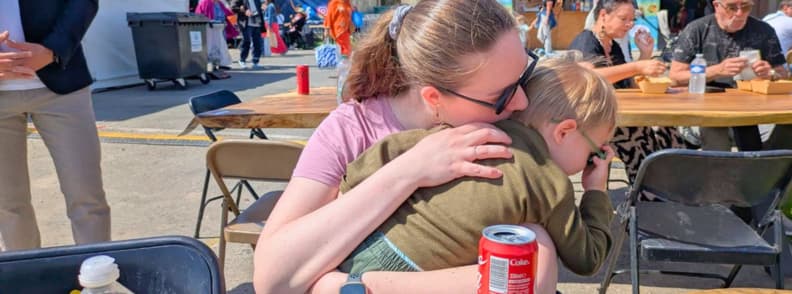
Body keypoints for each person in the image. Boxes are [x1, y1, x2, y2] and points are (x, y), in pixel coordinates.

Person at [253, 1, 559, 293]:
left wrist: (350, 286)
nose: (523, 102)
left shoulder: (512, 122)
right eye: (500, 96)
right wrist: (411, 170)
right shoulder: (351, 130)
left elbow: (532, 272)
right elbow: (272, 278)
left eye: (524, 77)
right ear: (433, 98)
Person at [337, 59, 617, 278]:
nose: (594, 159)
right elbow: (587, 258)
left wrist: (351, 195)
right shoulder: (551, 184)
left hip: (357, 243)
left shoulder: (469, 132)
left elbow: (385, 153)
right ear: (565, 132)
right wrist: (596, 191)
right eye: (595, 150)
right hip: (408, 274)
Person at [0, 0, 110, 251]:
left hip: (63, 85)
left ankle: (98, 283)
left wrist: (53, 50)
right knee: (7, 206)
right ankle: (26, 281)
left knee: (86, 198)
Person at [570, 0, 688, 183]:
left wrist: (645, 54)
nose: (629, 24)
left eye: (632, 20)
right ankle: (647, 193)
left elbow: (628, 85)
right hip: (593, 122)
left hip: (619, 117)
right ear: (603, 15)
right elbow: (590, 77)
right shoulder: (586, 41)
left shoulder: (613, 46)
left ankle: (670, 185)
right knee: (639, 138)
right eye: (623, 19)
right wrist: (637, 66)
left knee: (667, 128)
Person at [668, 0, 790, 152]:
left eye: (746, 6)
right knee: (715, 132)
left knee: (786, 126)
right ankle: (721, 173)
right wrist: (717, 70)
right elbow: (675, 76)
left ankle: (770, 170)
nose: (739, 13)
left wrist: (770, 73)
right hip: (706, 109)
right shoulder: (697, 29)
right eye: (732, 7)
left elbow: (783, 73)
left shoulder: (763, 30)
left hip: (753, 110)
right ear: (717, 6)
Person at [196, 0, 237, 74]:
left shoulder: (220, 3)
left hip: (220, 29)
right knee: (210, 47)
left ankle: (221, 63)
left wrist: (234, 24)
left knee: (221, 46)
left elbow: (228, 13)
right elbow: (199, 15)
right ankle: (210, 64)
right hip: (210, 30)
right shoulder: (205, 2)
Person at [231, 0, 264, 68]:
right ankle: (242, 60)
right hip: (246, 23)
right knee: (246, 41)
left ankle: (255, 61)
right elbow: (233, 8)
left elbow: (259, 10)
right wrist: (242, 10)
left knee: (257, 43)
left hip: (257, 22)